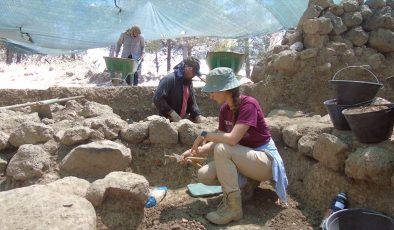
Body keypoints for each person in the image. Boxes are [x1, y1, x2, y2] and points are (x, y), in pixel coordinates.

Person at [180, 67, 288, 225]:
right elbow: (220, 139)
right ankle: (247, 185)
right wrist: (194, 151)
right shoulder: (225, 109)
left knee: (223, 149)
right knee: (204, 175)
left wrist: (204, 134)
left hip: (264, 161)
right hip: (245, 159)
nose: (210, 95)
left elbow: (231, 139)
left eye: (213, 91)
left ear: (225, 89)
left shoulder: (248, 105)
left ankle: (233, 208)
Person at [153, 56, 204, 123]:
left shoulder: (188, 82)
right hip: (167, 123)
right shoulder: (169, 79)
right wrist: (172, 113)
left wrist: (197, 115)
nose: (194, 75)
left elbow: (192, 102)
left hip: (181, 122)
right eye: (194, 72)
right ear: (187, 68)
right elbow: (158, 99)